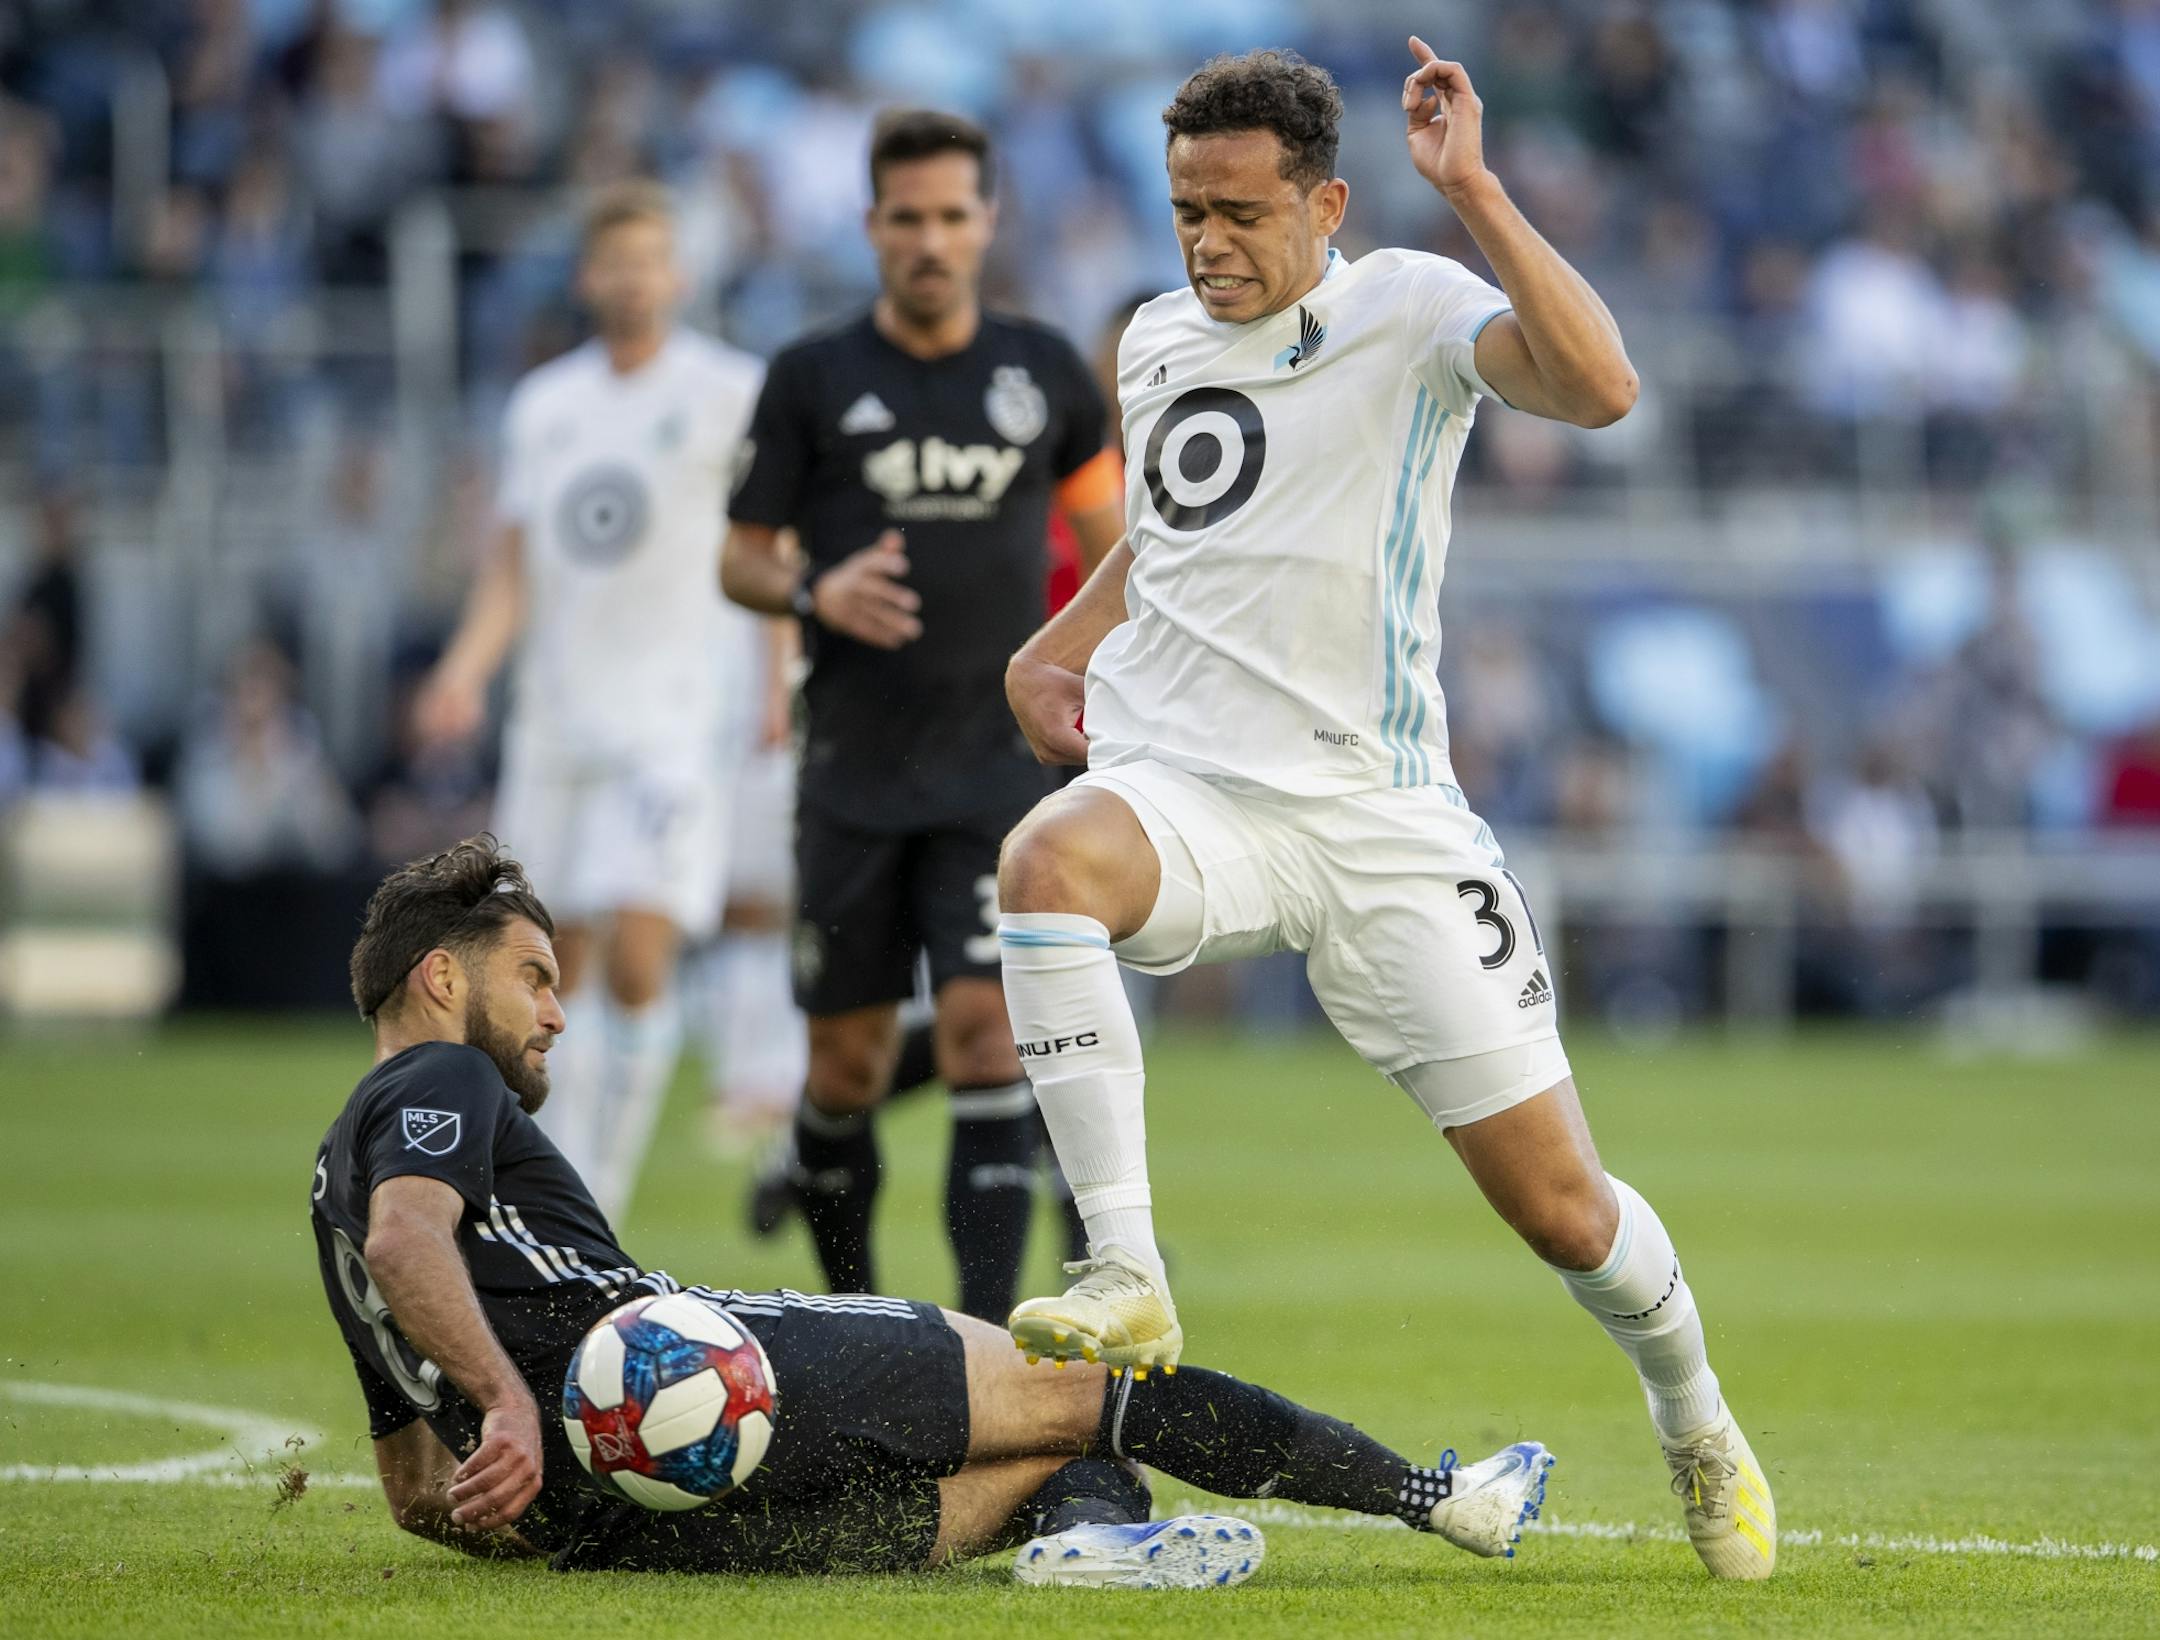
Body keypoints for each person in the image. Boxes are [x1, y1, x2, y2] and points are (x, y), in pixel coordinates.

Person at [991, 45, 1776, 1581]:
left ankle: (1696, 1415)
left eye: (1236, 212)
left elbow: (1606, 390)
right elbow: (1176, 532)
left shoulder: (1410, 305)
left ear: (1325, 202)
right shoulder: (1154, 340)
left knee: (1564, 1214)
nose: (1206, 243)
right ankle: (1129, 1267)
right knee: (1046, 860)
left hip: (1379, 825)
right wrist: (1056, 645)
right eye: (1182, 211)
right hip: (1195, 792)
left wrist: (1477, 187)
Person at [310, 835, 1554, 1583]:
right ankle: (1437, 1496)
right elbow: (412, 1237)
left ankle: (1091, 1544)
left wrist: (550, 1507)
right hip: (683, 1363)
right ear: (439, 975)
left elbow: (417, 1487)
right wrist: (524, 1402)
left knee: (1063, 1463)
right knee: (1089, 1382)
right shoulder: (442, 1072)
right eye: (532, 975)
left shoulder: (326, 1180)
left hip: (618, 1520)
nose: (556, 1010)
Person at [720, 110, 1125, 1321]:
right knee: (841, 1067)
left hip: (994, 773)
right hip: (848, 768)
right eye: (909, 218)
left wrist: (1107, 674)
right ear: (871, 228)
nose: (932, 240)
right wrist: (813, 587)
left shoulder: (1043, 374)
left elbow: (1115, 552)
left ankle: (983, 1345)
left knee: (985, 1041)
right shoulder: (810, 378)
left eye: (955, 216)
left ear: (987, 221)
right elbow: (739, 558)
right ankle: (860, 1324)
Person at [413, 180, 764, 1220]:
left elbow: (766, 543)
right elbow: (511, 566)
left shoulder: (727, 392)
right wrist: (463, 670)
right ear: (587, 276)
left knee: (643, 949)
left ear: (680, 275)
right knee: (542, 962)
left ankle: (593, 1191)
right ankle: (549, 1176)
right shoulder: (546, 406)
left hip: (674, 716)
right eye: (615, 261)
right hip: (557, 721)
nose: (632, 278)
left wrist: (783, 677)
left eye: (651, 259)